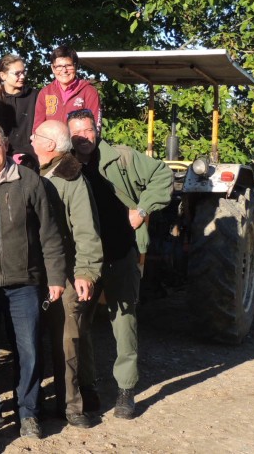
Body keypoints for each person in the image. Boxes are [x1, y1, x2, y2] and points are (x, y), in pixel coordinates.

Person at [67, 108, 172, 419]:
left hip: (121, 252)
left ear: (96, 129)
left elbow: (163, 175)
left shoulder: (121, 157)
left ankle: (126, 390)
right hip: (84, 261)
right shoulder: (66, 165)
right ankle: (87, 387)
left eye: (88, 130)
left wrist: (142, 209)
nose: (83, 137)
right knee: (79, 324)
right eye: (76, 133)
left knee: (123, 322)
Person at [0, 123, 66, 439]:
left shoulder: (30, 182)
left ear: (6, 144)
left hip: (24, 282)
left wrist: (55, 276)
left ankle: (29, 413)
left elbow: (50, 233)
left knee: (28, 350)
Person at [31, 120, 103, 429]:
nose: (31, 140)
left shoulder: (71, 179)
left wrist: (86, 272)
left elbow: (87, 230)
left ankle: (73, 408)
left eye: (35, 137)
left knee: (67, 340)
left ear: (48, 145)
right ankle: (73, 397)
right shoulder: (43, 174)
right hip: (43, 272)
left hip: (69, 273)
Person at [0, 53, 38, 166]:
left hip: (30, 158)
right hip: (1, 159)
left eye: (23, 72)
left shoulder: (34, 96)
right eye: (17, 73)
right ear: (3, 75)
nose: (22, 77)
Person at [33, 45, 102, 132]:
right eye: (59, 66)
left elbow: (95, 126)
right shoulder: (45, 92)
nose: (64, 70)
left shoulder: (89, 91)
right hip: (52, 144)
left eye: (68, 65)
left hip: (79, 143)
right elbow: (37, 127)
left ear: (76, 66)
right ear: (53, 68)